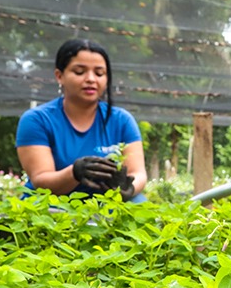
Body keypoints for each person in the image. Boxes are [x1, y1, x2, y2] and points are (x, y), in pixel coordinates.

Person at [16, 38, 148, 202]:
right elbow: (41, 180)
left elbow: (138, 172)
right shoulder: (37, 120)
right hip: (53, 203)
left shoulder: (122, 121)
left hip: (107, 202)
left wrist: (129, 188)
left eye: (99, 73)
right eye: (79, 72)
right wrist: (75, 173)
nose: (91, 79)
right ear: (59, 76)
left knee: (140, 206)